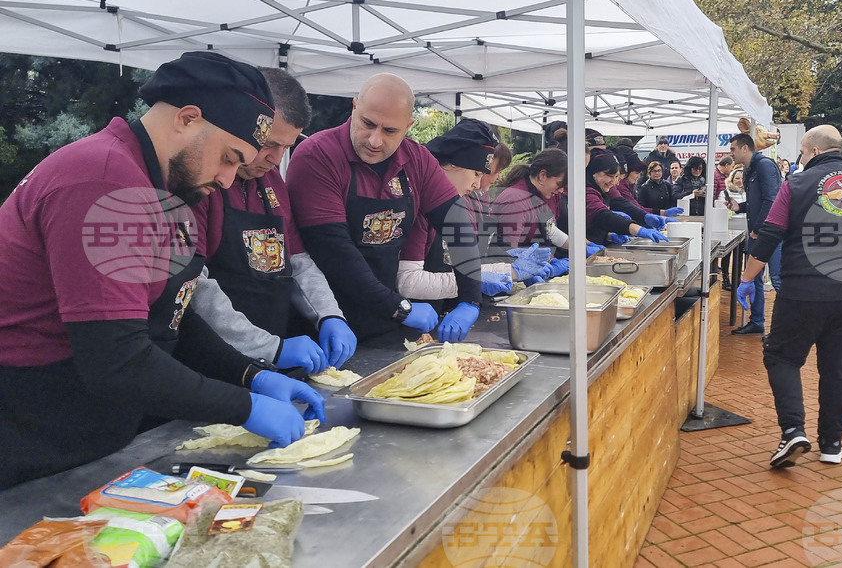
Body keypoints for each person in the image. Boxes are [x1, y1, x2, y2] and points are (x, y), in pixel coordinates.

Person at [0, 52, 327, 489]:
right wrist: (244, 406)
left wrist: (253, 375)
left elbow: (173, 311)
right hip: (37, 422)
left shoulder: (165, 188)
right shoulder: (105, 181)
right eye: (229, 157)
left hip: (96, 422)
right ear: (188, 119)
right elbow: (117, 360)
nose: (230, 180)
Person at [734, 125, 842, 468]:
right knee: (840, 367)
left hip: (803, 289)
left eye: (801, 151)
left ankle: (792, 431)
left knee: (782, 357)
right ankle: (832, 443)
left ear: (813, 151)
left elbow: (770, 234)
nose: (800, 157)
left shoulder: (796, 184)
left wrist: (746, 279)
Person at [286, 73, 483, 343]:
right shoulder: (317, 155)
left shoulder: (418, 161)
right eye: (368, 123)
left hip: (386, 319)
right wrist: (398, 307)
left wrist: (470, 298)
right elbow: (334, 251)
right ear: (355, 107)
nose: (375, 140)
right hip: (325, 323)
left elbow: (456, 223)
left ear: (408, 126)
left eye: (390, 131)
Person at [191, 68, 356, 375]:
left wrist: (329, 315)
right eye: (268, 144)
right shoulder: (202, 185)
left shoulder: (273, 183)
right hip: (212, 358)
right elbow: (196, 288)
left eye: (286, 147)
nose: (275, 158)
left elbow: (297, 259)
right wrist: (270, 347)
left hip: (271, 353)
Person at [396, 119, 515, 306]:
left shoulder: (459, 201)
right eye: (476, 174)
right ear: (453, 164)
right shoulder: (418, 204)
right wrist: (478, 282)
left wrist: (506, 269)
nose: (477, 184)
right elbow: (408, 282)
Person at [728, 132, 783, 335]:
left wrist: (758, 230)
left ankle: (783, 330)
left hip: (769, 234)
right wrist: (739, 207)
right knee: (755, 278)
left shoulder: (764, 166)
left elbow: (772, 200)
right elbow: (758, 202)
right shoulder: (752, 168)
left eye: (733, 149)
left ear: (745, 148)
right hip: (759, 232)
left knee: (777, 280)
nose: (730, 153)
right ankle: (757, 321)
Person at [585, 148, 669, 246]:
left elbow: (621, 204)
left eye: (616, 177)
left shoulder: (603, 189)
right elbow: (603, 216)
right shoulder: (587, 192)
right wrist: (637, 229)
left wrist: (608, 235)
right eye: (609, 176)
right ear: (593, 174)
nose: (613, 181)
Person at [492, 148, 568, 251]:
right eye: (559, 184)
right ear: (542, 176)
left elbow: (549, 230)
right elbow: (508, 250)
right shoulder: (515, 201)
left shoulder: (547, 196)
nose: (561, 190)